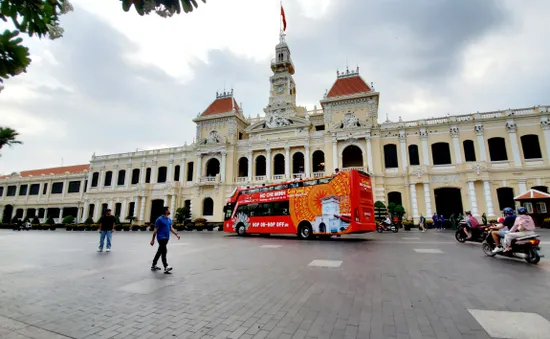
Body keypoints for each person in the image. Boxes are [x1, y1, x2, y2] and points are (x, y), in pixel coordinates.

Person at [150, 207, 180, 274]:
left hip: (166, 238)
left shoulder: (169, 219)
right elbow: (155, 230)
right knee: (164, 251)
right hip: (161, 238)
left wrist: (177, 234)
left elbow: (171, 228)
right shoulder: (159, 219)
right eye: (169, 209)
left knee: (160, 251)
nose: (170, 210)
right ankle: (166, 266)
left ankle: (153, 265)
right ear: (165, 211)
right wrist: (152, 240)